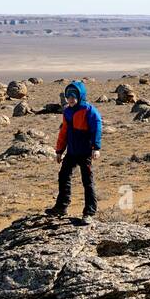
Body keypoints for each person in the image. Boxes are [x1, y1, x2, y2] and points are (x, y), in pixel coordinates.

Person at [46, 81, 102, 222]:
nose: (70, 98)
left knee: (87, 181)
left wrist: (96, 148)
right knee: (63, 176)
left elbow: (97, 128)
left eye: (73, 95)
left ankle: (89, 212)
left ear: (80, 95)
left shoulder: (89, 110)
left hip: (85, 152)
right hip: (71, 152)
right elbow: (64, 132)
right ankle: (61, 207)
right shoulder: (68, 112)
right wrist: (59, 150)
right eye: (68, 95)